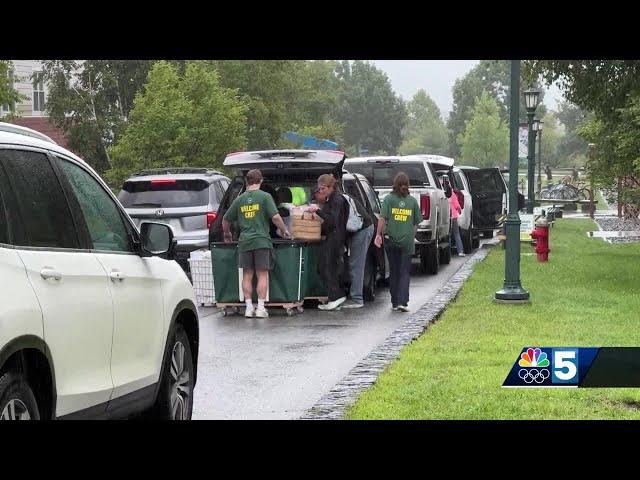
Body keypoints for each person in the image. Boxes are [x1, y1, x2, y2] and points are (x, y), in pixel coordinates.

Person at [222, 169, 290, 318]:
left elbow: (225, 219)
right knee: (262, 274)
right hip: (261, 241)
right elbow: (276, 217)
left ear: (247, 181)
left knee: (247, 275)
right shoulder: (265, 197)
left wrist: (227, 234)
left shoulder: (239, 200)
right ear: (261, 181)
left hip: (245, 242)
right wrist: (284, 230)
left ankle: (248, 308)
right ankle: (260, 308)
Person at [374, 172, 421, 312]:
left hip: (391, 240)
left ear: (394, 184)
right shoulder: (412, 201)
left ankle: (395, 301)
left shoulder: (388, 199)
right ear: (407, 185)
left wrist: (378, 234)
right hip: (407, 242)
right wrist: (410, 236)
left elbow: (382, 218)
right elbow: (416, 223)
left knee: (394, 271)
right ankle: (403, 301)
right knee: (404, 271)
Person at [307, 174, 349, 311]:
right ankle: (335, 296)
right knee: (324, 267)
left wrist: (318, 210)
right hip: (332, 237)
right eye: (319, 189)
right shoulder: (330, 199)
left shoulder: (337, 200)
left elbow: (332, 221)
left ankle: (336, 296)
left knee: (329, 267)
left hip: (336, 238)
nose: (321, 191)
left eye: (323, 188)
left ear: (331, 187)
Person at [341, 195, 375, 309]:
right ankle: (354, 295)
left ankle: (357, 298)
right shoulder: (342, 198)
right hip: (362, 228)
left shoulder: (340, 201)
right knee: (354, 263)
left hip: (362, 230)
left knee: (356, 264)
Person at [449, 185, 466, 257]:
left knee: (447, 235)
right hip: (454, 218)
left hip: (447, 218)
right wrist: (460, 212)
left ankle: (448, 252)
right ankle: (460, 251)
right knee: (456, 234)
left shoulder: (443, 194)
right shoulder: (452, 194)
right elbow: (457, 206)